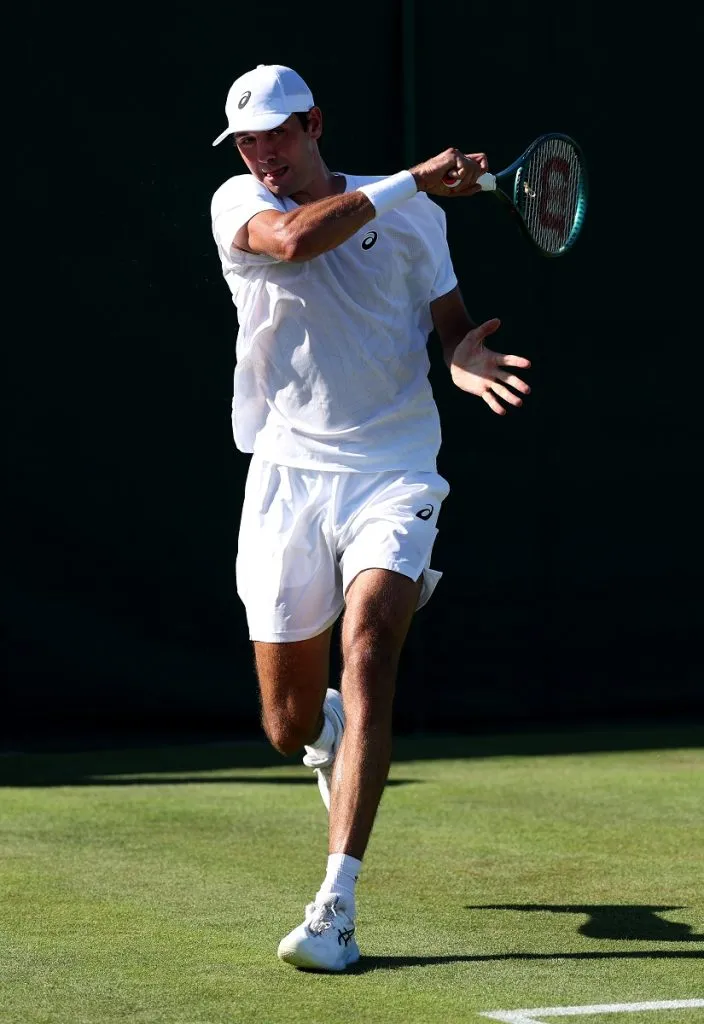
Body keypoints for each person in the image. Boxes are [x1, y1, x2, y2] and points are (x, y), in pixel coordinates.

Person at [210, 63, 531, 972]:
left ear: (315, 125)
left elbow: (450, 322)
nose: (262, 154)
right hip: (284, 475)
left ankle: (335, 908)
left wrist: (465, 358)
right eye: (247, 140)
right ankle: (326, 739)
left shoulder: (417, 215)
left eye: (277, 133)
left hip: (394, 469)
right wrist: (412, 182)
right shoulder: (239, 201)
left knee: (370, 644)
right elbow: (291, 244)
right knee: (286, 724)